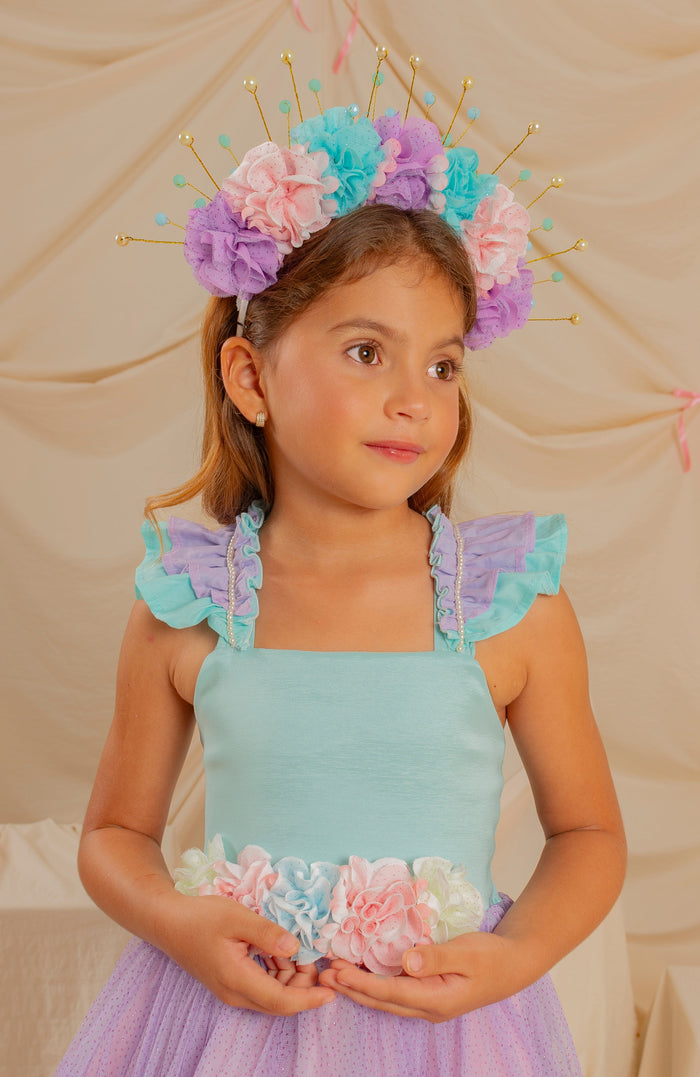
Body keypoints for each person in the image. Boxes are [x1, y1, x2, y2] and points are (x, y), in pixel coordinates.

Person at [56, 81, 626, 1077]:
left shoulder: (509, 604)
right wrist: (181, 923)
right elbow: (112, 833)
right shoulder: (193, 603)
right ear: (252, 378)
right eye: (368, 352)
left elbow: (587, 832)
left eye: (442, 366)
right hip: (227, 1032)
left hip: (448, 1042)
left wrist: (513, 956)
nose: (414, 400)